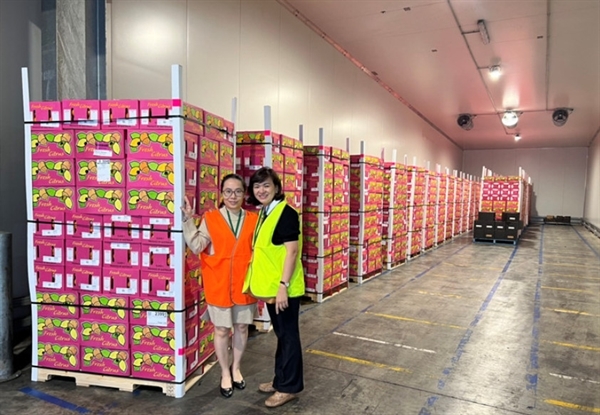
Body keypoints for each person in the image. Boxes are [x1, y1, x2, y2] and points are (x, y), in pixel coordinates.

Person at [182, 173, 258, 398]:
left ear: (244, 193)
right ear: (221, 194)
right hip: (219, 284)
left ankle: (236, 368)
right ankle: (225, 372)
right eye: (228, 192)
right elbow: (197, 246)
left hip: (244, 285)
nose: (233, 196)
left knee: (242, 328)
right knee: (222, 329)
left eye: (237, 191)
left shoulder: (254, 219)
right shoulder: (211, 218)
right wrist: (188, 219)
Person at [243, 167, 305, 408]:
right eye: (257, 186)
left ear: (277, 188)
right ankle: (281, 380)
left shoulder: (286, 213)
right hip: (272, 288)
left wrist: (283, 286)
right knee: (282, 336)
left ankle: (289, 387)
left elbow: (292, 252)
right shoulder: (266, 212)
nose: (261, 190)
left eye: (266, 185)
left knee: (289, 336)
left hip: (284, 289)